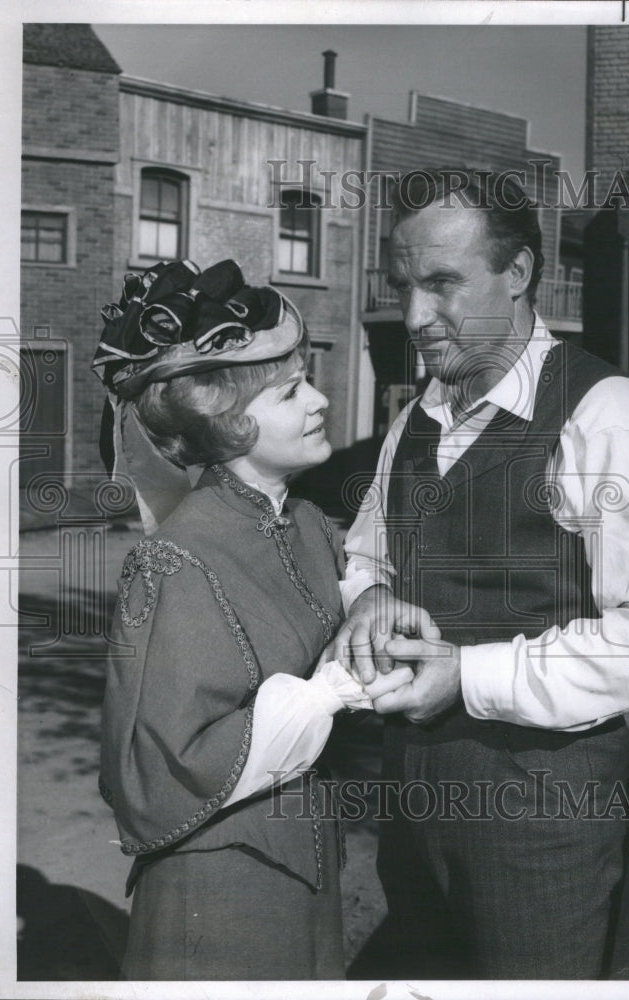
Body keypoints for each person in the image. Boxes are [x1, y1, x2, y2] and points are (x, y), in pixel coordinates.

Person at [333, 168, 629, 979]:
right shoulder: (415, 417)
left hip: (543, 825)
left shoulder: (610, 418)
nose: (412, 317)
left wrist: (466, 676)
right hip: (413, 803)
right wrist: (367, 594)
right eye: (403, 285)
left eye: (442, 284)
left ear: (519, 274)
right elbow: (366, 550)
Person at [94, 258, 410, 980]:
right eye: (291, 391)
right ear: (223, 420)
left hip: (301, 860)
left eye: (309, 382)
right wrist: (330, 689)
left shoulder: (302, 521)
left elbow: (355, 576)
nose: (319, 403)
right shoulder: (173, 560)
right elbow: (154, 771)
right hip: (219, 883)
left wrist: (371, 596)